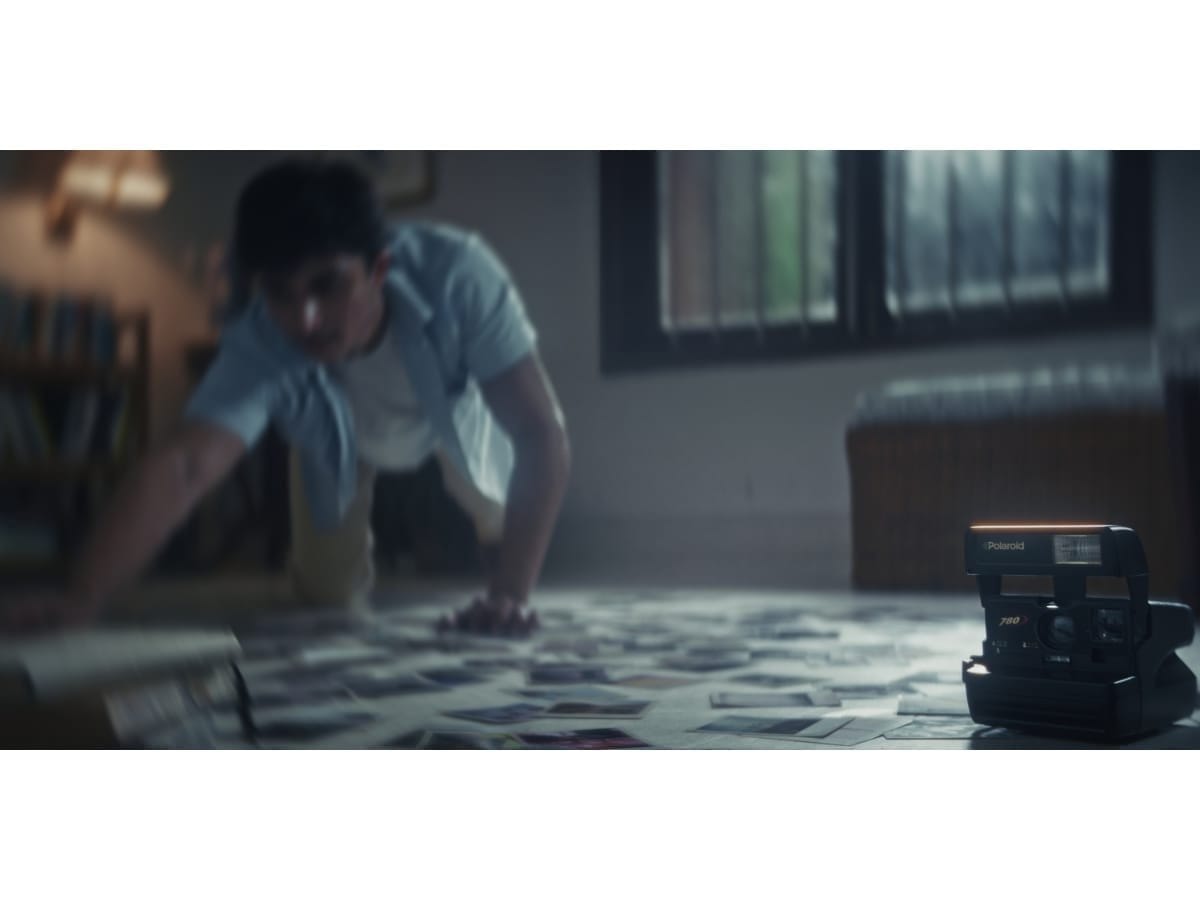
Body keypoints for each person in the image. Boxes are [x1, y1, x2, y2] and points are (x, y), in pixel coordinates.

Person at [3, 158, 570, 636]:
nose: (305, 319)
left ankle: (501, 546)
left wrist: (510, 594)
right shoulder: (262, 335)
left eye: (327, 284)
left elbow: (540, 432)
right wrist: (82, 596)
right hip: (333, 439)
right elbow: (185, 463)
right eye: (280, 292)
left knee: (502, 516)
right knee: (325, 597)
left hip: (451, 415)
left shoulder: (460, 274)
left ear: (378, 268)